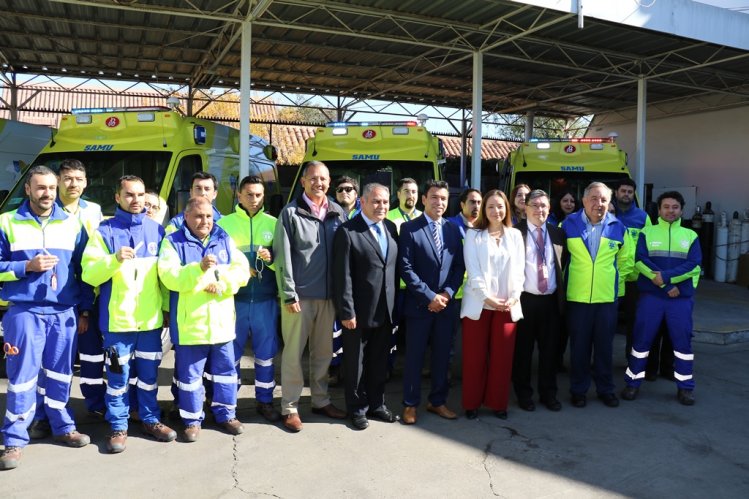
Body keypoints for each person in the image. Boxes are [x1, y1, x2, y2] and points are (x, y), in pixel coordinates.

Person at [1, 166, 92, 471]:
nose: (47, 194)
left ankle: (62, 426)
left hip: (63, 311)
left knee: (60, 374)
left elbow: (83, 270)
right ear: (27, 189)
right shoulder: (7, 222)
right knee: (22, 376)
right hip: (24, 311)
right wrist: (25, 265)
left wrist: (84, 308)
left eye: (52, 188)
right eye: (41, 188)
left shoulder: (72, 223)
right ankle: (14, 439)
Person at [81, 175, 176, 453]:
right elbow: (89, 273)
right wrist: (113, 260)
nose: (136, 200)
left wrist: (167, 309)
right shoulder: (104, 232)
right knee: (117, 377)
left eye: (141, 195)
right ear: (118, 198)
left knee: (148, 375)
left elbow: (164, 277)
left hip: (149, 323)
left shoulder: (157, 231)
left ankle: (149, 419)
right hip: (116, 324)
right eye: (130, 195)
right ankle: (118, 425)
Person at [158, 197, 250, 441]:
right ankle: (191, 420)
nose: (205, 221)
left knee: (225, 372)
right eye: (198, 216)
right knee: (190, 377)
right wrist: (198, 270)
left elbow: (242, 271)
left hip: (221, 324)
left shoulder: (223, 238)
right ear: (186, 217)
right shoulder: (172, 241)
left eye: (208, 216)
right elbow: (170, 276)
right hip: (191, 325)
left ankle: (226, 414)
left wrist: (221, 283)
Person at [29, 158, 105, 440]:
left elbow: (88, 261)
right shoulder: (47, 211)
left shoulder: (94, 211)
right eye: (68, 178)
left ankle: (96, 405)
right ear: (58, 181)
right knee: (51, 363)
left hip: (87, 296)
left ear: (86, 182)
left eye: (78, 179)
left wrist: (86, 307)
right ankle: (43, 416)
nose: (73, 184)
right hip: (50, 300)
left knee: (91, 357)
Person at [274, 161, 347, 432]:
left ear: (330, 182)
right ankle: (290, 407)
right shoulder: (290, 214)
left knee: (324, 353)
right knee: (293, 354)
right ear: (303, 181)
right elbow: (282, 257)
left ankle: (320, 400)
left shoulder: (339, 212)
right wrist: (289, 293)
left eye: (324, 179)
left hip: (328, 298)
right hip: (299, 297)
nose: (319, 183)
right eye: (314, 178)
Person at [621, 191, 701, 406]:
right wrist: (667, 285)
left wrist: (665, 277)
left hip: (680, 299)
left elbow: (694, 265)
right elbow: (639, 261)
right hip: (652, 297)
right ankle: (632, 382)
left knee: (682, 343)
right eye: (666, 206)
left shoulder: (690, 236)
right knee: (641, 341)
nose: (670, 210)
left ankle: (685, 388)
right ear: (659, 210)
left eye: (675, 207)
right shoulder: (647, 232)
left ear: (681, 210)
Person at [332, 183, 400, 430]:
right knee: (356, 364)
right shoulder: (348, 231)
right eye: (376, 201)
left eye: (385, 202)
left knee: (379, 361)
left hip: (386, 310)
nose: (381, 206)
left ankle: (377, 404)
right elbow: (343, 276)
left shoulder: (391, 228)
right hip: (358, 313)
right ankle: (357, 409)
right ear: (362, 201)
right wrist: (347, 311)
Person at [399, 179, 464, 425]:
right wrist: (429, 296)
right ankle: (410, 404)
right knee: (414, 358)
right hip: (419, 306)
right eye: (434, 197)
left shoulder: (452, 229)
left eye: (444, 199)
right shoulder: (410, 229)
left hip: (446, 307)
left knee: (441, 358)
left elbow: (459, 266)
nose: (439, 202)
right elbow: (405, 268)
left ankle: (437, 401)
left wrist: (446, 293)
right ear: (424, 199)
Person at [217, 176, 281, 423]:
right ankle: (228, 405)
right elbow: (218, 261)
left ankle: (264, 401)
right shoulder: (224, 224)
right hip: (234, 301)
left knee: (265, 355)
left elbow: (284, 262)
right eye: (249, 195)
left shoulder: (274, 223)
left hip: (265, 301)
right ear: (239, 195)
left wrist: (271, 257)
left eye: (258, 195)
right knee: (230, 356)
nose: (254, 200)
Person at [562, 182, 631, 409]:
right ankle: (579, 390)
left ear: (609, 203)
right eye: (593, 198)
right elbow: (559, 260)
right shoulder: (568, 224)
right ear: (583, 201)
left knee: (604, 348)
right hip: (578, 299)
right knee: (579, 348)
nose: (598, 204)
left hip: (606, 301)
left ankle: (605, 389)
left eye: (603, 200)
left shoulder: (618, 227)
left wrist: (613, 288)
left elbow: (625, 261)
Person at [460, 189, 524, 420]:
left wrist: (514, 296)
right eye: (490, 207)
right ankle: (471, 403)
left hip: (507, 305)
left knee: (502, 358)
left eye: (500, 206)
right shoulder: (473, 235)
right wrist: (487, 298)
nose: (496, 211)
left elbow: (519, 271)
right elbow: (473, 270)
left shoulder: (515, 235)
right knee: (474, 358)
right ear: (483, 211)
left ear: (506, 208)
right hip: (479, 304)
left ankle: (498, 404)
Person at [512, 190, 567, 413]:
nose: (539, 209)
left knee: (550, 352)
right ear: (525, 208)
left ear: (549, 208)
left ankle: (548, 394)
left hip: (551, 302)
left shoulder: (558, 234)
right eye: (534, 205)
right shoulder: (515, 234)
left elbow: (564, 264)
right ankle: (524, 395)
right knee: (523, 352)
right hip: (525, 300)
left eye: (543, 205)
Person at [330, 176, 361, 383]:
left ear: (356, 194)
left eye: (349, 189)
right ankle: (334, 369)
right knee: (334, 330)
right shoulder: (329, 215)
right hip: (335, 280)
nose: (344, 192)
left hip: (359, 282)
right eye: (340, 189)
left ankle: (354, 371)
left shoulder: (364, 215)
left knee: (356, 330)